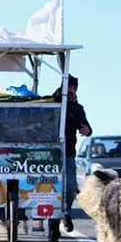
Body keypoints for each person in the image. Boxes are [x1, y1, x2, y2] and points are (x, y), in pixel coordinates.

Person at [53, 75, 92, 233]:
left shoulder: (77, 108)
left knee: (70, 187)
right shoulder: (52, 103)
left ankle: (66, 213)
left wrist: (87, 130)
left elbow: (87, 127)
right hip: (49, 154)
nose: (71, 90)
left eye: (74, 87)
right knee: (50, 188)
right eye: (69, 86)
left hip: (68, 153)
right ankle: (51, 218)